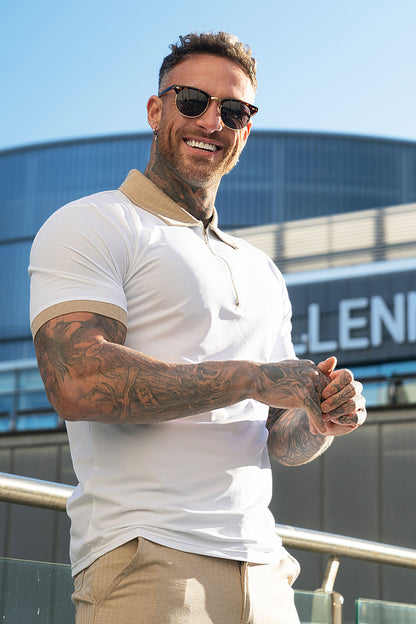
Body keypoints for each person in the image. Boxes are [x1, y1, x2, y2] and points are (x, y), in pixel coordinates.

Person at [29, 32, 366, 624]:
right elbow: (77, 381)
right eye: (193, 101)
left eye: (233, 111)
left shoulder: (260, 269)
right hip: (147, 558)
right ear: (156, 110)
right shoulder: (94, 222)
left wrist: (321, 418)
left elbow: (279, 438)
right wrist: (252, 377)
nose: (212, 121)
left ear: (246, 130)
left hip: (266, 571)